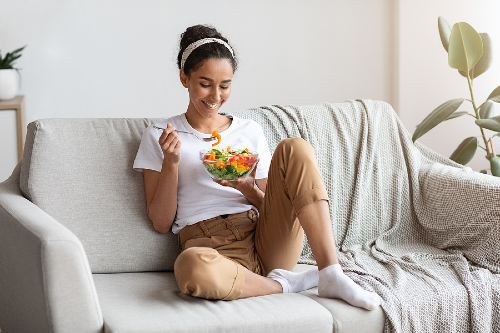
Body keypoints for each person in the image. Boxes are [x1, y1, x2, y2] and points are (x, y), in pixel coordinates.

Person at [133, 24, 381, 310]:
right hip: (210, 246)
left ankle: (331, 272)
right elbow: (161, 222)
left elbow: (272, 207)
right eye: (205, 83)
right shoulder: (160, 135)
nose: (215, 96)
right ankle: (286, 284)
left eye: (224, 85)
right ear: (184, 78)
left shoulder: (249, 130)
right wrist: (172, 163)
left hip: (265, 237)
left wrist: (248, 188)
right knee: (190, 266)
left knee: (295, 147)